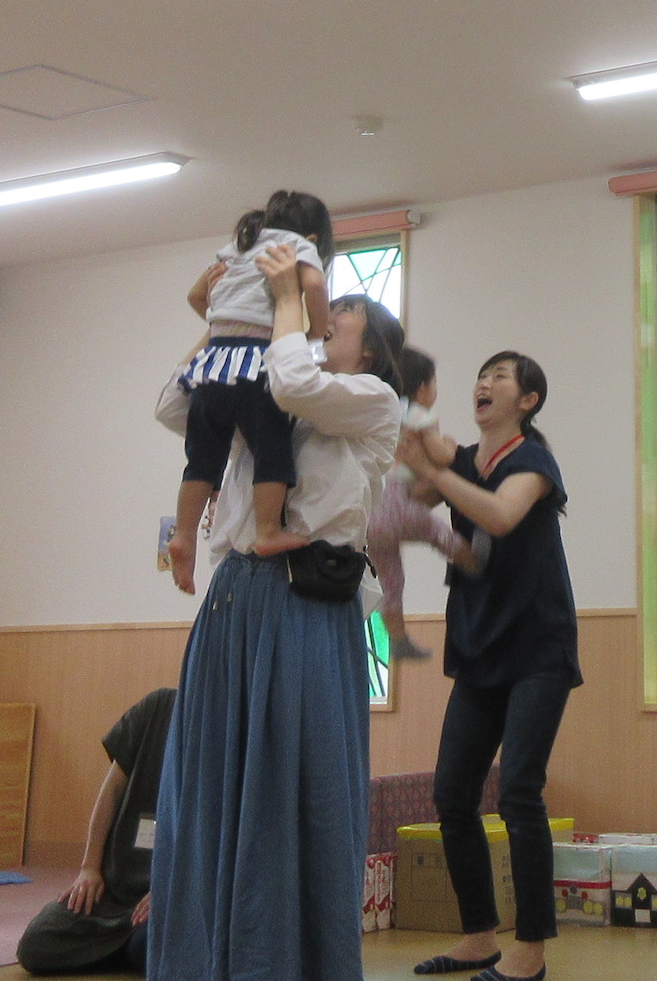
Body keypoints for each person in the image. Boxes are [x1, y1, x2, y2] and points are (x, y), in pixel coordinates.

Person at [149, 242, 401, 981]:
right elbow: (173, 406)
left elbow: (294, 381)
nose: (325, 317)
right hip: (236, 599)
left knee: (293, 790)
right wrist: (220, 329)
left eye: (340, 314)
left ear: (370, 347)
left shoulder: (370, 400)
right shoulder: (269, 385)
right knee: (210, 786)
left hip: (304, 605)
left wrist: (288, 298)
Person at [410, 354, 580, 981]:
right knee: (452, 794)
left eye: (500, 377)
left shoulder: (533, 460)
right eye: (481, 375)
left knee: (518, 793)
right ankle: (479, 936)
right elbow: (416, 485)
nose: (484, 383)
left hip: (538, 649)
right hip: (480, 649)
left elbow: (501, 515)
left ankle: (530, 950)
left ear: (528, 400)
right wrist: (415, 441)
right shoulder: (463, 459)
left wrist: (437, 469)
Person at [170, 189, 336, 584]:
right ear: (314, 238)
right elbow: (314, 285)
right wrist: (316, 330)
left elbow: (196, 296)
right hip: (256, 365)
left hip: (212, 365)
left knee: (202, 458)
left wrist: (227, 320)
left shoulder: (238, 247)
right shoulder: (296, 246)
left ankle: (183, 535)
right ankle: (267, 530)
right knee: (271, 448)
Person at [16, 688, 176, 976]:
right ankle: (120, 945)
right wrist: (89, 868)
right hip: (114, 889)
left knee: (150, 946)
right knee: (37, 944)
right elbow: (111, 791)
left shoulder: (224, 728)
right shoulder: (157, 707)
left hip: (164, 896)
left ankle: (122, 946)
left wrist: (172, 889)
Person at [370, 342, 478, 664]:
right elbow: (441, 456)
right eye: (434, 383)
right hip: (399, 503)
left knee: (390, 578)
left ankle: (398, 638)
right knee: (442, 536)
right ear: (422, 388)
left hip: (370, 511)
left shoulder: (380, 412)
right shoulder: (419, 414)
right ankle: (477, 567)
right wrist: (449, 445)